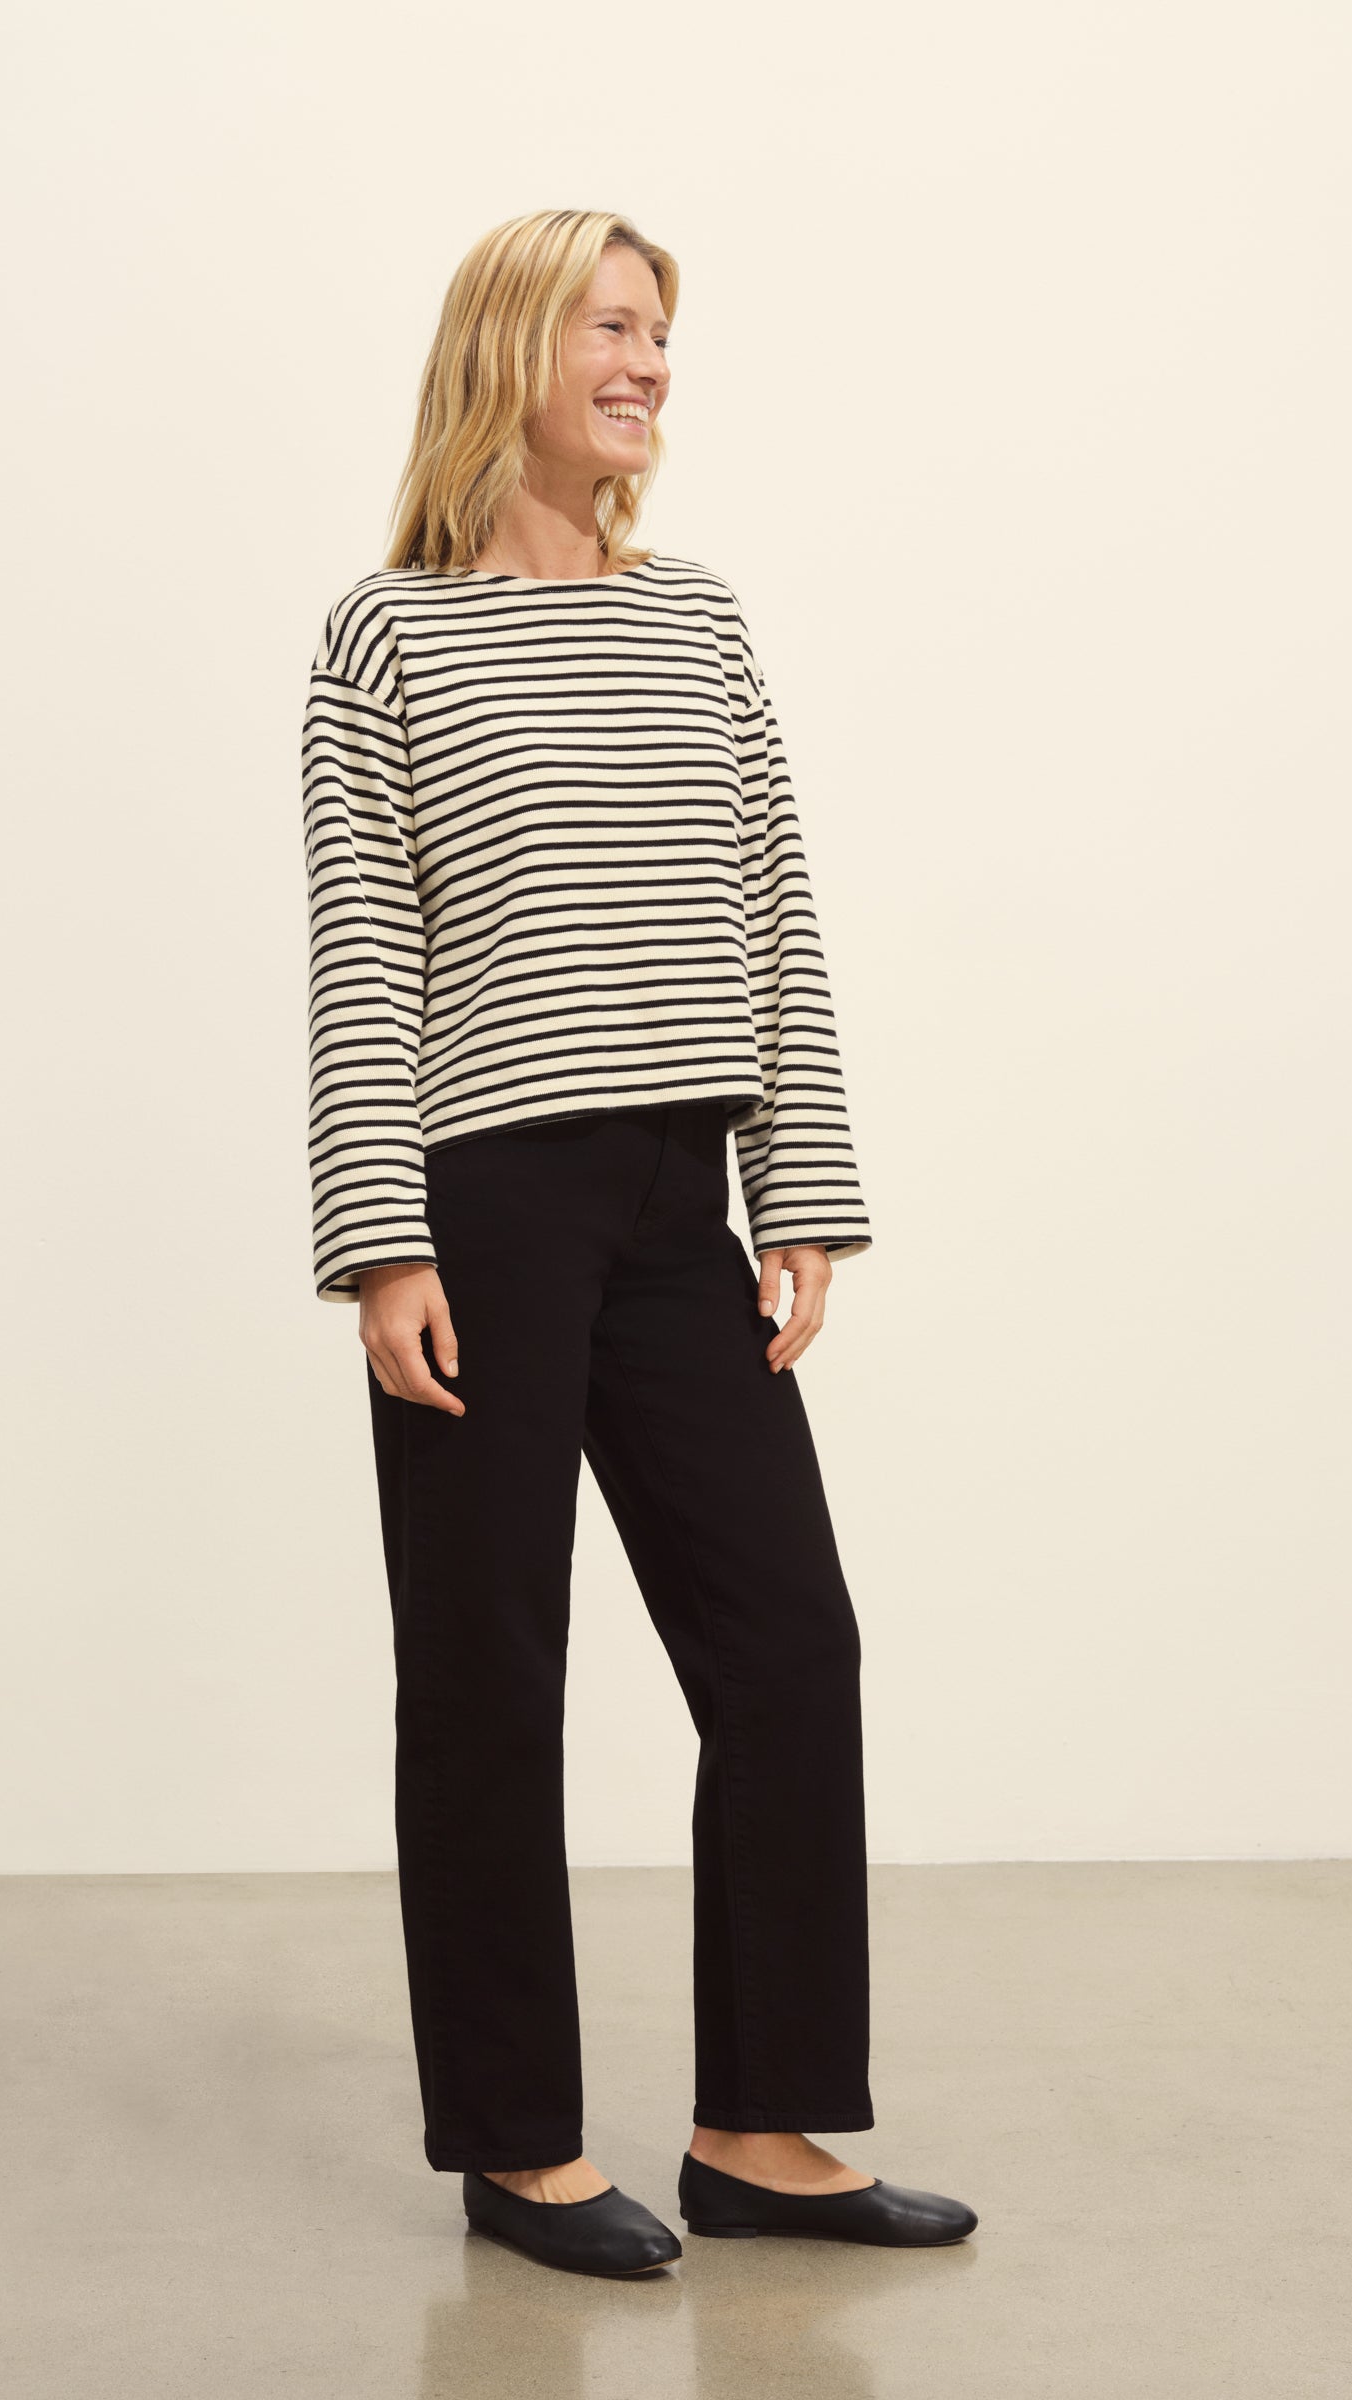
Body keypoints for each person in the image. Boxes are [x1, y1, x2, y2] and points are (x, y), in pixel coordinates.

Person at [299, 209, 977, 2277]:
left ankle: (757, 2130)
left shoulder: (698, 622)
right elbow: (365, 953)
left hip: (683, 1203)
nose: (650, 364)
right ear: (509, 348)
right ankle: (518, 2149)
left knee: (787, 1646)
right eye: (611, 325)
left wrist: (805, 1190)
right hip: (485, 1208)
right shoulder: (388, 636)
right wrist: (380, 1243)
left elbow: (773, 904)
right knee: (490, 1672)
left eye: (661, 333)